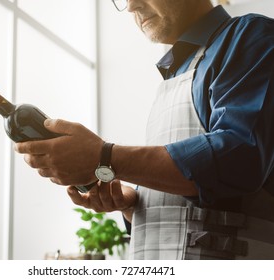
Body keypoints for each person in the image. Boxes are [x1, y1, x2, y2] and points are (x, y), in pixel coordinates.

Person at [14, 0, 274, 259]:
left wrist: (105, 157)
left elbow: (240, 157)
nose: (131, 6)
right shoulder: (172, 79)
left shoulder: (251, 36)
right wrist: (134, 205)